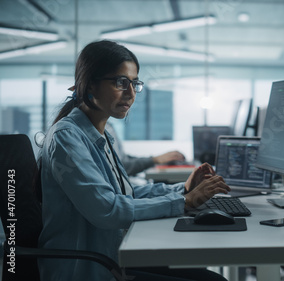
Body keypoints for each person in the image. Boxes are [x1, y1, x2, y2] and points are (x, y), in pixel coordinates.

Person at [37, 40, 230, 281]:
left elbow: (124, 194)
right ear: (90, 84)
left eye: (134, 83)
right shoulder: (66, 137)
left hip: (111, 258)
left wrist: (185, 189)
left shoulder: (100, 135)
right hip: (89, 270)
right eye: (120, 82)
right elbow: (106, 209)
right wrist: (184, 203)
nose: (130, 93)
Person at [105, 122, 186, 176]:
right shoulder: (104, 129)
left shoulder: (109, 125)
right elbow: (120, 168)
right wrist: (154, 160)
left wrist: (156, 160)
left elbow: (123, 158)